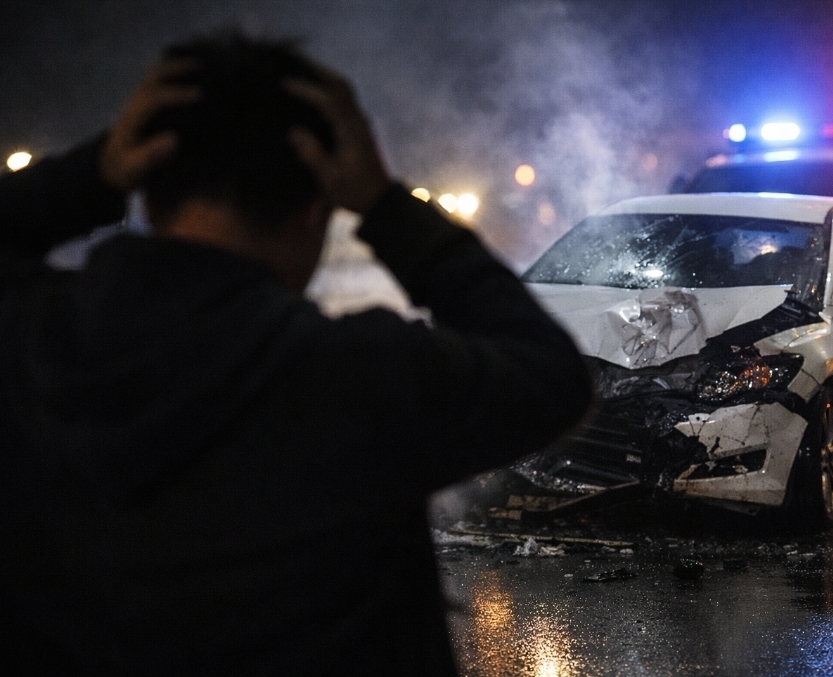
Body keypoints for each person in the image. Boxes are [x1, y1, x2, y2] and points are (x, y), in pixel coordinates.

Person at [0, 33, 591, 674]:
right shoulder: (354, 375)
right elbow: (551, 373)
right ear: (315, 205)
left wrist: (85, 176)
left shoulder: (26, 347)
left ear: (143, 187)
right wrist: (384, 201)